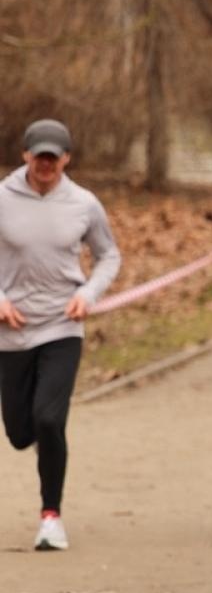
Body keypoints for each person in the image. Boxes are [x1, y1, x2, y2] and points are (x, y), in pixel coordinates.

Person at [0, 118, 121, 551]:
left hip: (62, 325)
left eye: (54, 157)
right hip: (10, 331)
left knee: (49, 419)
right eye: (39, 157)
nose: (46, 164)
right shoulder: (3, 198)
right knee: (19, 431)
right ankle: (43, 445)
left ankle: (51, 517)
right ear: (25, 156)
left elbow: (109, 256)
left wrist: (87, 294)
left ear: (66, 158)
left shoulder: (84, 203)